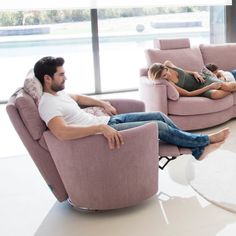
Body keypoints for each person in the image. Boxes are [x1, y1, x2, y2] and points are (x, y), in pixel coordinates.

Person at [34, 56, 230, 161]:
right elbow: (62, 132)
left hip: (106, 122)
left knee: (158, 115)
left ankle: (194, 147)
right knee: (157, 126)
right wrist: (99, 128)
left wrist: (102, 103)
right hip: (100, 133)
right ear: (47, 78)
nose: (65, 77)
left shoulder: (59, 94)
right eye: (61, 74)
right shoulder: (47, 103)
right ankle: (203, 141)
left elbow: (78, 98)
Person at [148, 60, 236, 99]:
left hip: (203, 79)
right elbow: (189, 93)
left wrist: (194, 73)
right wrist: (210, 87)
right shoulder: (170, 83)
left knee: (224, 86)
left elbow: (183, 72)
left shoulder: (168, 64)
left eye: (166, 71)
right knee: (215, 94)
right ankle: (232, 89)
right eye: (164, 76)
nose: (167, 75)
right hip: (200, 90)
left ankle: (231, 87)